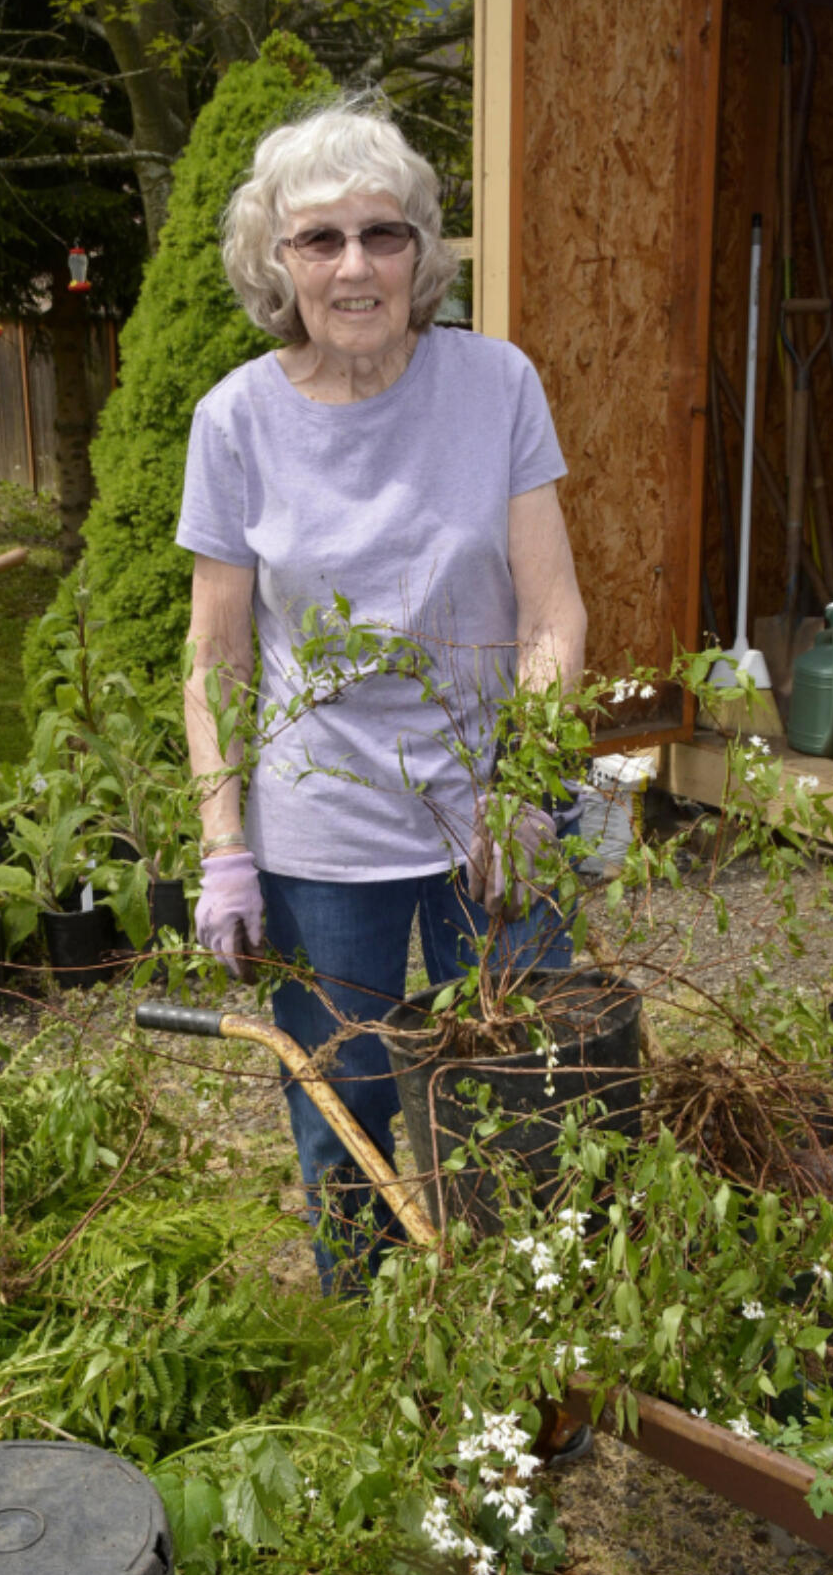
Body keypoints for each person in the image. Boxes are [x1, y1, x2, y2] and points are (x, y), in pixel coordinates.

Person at [176, 100, 587, 1293]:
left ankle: (523, 1340)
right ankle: (377, 1339)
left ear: (420, 249)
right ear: (275, 262)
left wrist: (521, 787)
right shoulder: (235, 421)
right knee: (342, 1106)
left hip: (488, 813)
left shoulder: (496, 383)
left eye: (383, 233)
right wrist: (223, 847)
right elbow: (216, 659)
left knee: (517, 1089)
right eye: (320, 240)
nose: (356, 266)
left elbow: (552, 613)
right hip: (322, 834)